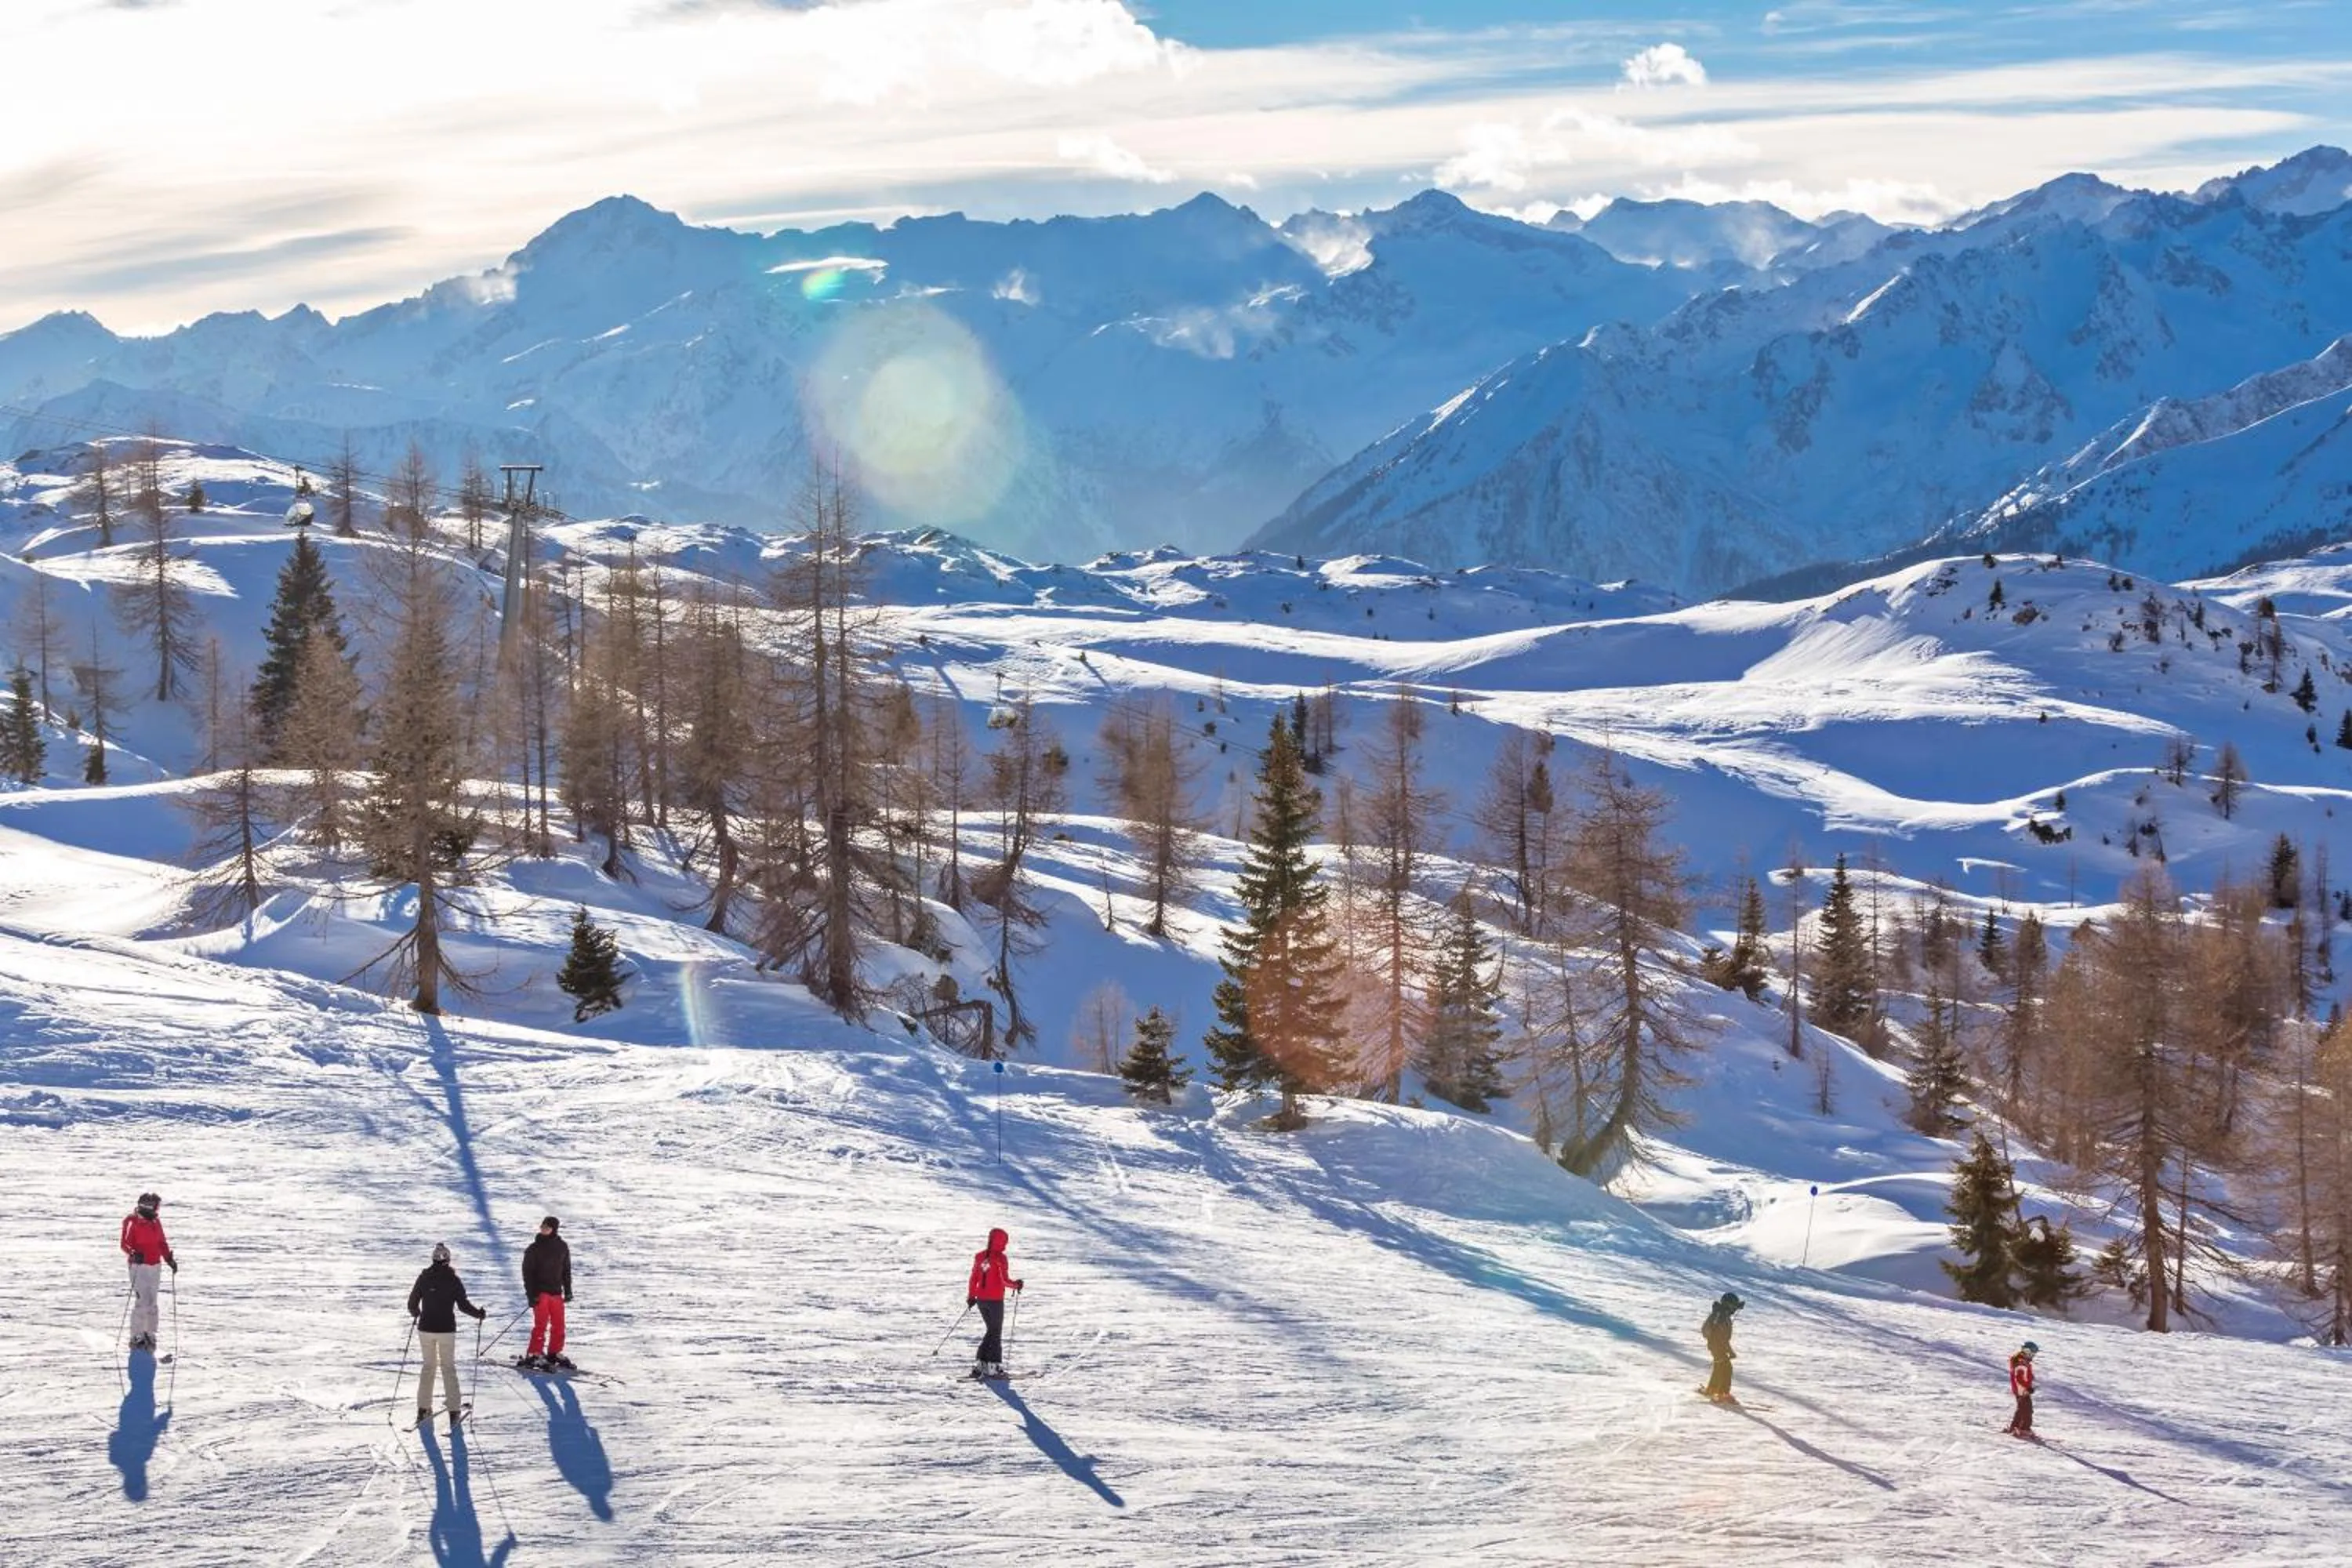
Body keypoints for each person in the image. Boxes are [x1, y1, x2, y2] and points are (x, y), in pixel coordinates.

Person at [408, 1242, 488, 1428]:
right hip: (446, 1330)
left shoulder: (424, 1277)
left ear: (433, 1260)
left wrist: (416, 1313)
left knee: (428, 1367)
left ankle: (423, 1408)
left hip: (425, 1329)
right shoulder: (453, 1280)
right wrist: (479, 1314)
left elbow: (412, 1303)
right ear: (448, 1260)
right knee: (448, 1368)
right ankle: (454, 1410)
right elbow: (463, 1305)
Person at [118, 1192, 177, 1352]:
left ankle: (150, 1333)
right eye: (156, 1207)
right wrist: (133, 1254)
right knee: (142, 1300)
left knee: (152, 1301)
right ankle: (136, 1335)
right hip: (139, 1266)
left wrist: (168, 1259)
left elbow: (161, 1242)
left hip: (155, 1265)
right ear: (148, 1207)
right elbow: (124, 1244)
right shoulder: (132, 1221)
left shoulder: (155, 1222)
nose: (157, 1211)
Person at [964, 1227, 1024, 1379]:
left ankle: (980, 1364)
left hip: (981, 1300)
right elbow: (1004, 1280)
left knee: (991, 1330)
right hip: (995, 1301)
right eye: (1004, 1241)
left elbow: (974, 1278)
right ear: (1000, 1241)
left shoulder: (980, 1257)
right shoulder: (1000, 1258)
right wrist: (1016, 1285)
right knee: (995, 1332)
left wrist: (972, 1297)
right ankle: (993, 1366)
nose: (1005, 1244)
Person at [521, 1215, 574, 1371]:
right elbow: (527, 1274)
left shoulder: (562, 1247)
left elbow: (566, 1270)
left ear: (554, 1229)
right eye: (542, 1226)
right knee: (541, 1325)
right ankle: (535, 1353)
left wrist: (568, 1290)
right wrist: (531, 1295)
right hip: (541, 1293)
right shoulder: (534, 1248)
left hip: (556, 1293)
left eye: (547, 1227)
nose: (543, 1229)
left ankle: (554, 1352)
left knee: (559, 1325)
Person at [1701, 1290, 1744, 1403]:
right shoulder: (1721, 1316)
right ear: (1728, 1305)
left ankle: (1712, 1389)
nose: (1734, 1310)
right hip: (1717, 1345)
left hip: (1716, 1345)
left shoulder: (1720, 1313)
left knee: (1719, 1366)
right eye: (1733, 1307)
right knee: (1726, 1368)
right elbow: (1721, 1337)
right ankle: (1723, 1393)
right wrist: (1730, 1351)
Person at [2006, 1341, 2038, 1438]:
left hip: (2021, 1391)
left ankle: (2015, 1426)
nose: (2033, 1356)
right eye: (2032, 1354)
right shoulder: (2021, 1363)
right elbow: (2019, 1379)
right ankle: (2024, 1428)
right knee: (2027, 1410)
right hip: (2023, 1391)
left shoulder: (2022, 1362)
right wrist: (2027, 1388)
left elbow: (2023, 1376)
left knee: (2021, 1410)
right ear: (2027, 1352)